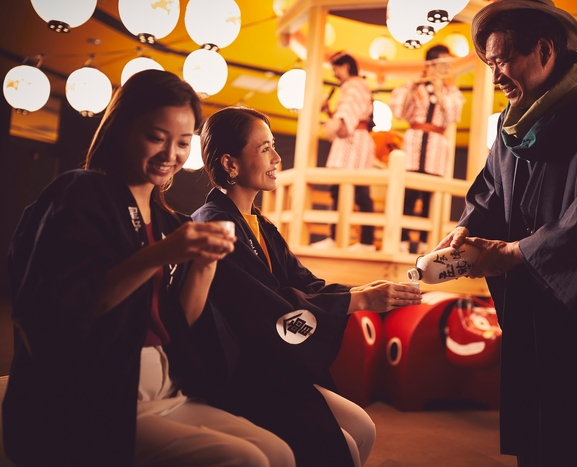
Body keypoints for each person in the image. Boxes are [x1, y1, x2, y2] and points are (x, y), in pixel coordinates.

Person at [2, 70, 295, 467]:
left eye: (183, 143)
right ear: (123, 130)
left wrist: (205, 265)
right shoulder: (79, 193)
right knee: (246, 459)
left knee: (278, 453)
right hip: (97, 394)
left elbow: (179, 321)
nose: (170, 154)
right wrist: (160, 254)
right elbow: (64, 304)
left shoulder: (167, 219)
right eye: (157, 138)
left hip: (165, 389)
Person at [434, 1, 577, 466]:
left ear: (544, 50)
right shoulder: (512, 126)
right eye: (489, 64)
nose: (495, 76)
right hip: (534, 303)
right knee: (540, 430)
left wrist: (518, 252)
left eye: (502, 61)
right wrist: (465, 229)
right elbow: (490, 193)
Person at [191, 106, 423, 466]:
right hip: (244, 373)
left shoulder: (259, 224)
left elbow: (305, 284)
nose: (277, 157)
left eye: (273, 146)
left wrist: (361, 292)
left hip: (273, 364)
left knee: (363, 428)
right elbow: (268, 306)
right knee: (342, 445)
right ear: (230, 164)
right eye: (265, 148)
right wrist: (359, 301)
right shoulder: (214, 225)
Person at [390, 44, 465, 254]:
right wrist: (412, 89)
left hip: (436, 147)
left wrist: (439, 92)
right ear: (431, 64)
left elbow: (454, 117)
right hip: (413, 143)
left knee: (429, 197)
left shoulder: (452, 92)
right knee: (407, 195)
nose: (447, 67)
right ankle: (402, 240)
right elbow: (399, 112)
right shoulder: (413, 86)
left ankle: (426, 242)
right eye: (443, 62)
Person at [311, 51, 377, 251]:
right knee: (342, 191)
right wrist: (330, 113)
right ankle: (339, 237)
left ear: (346, 67)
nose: (334, 74)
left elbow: (347, 112)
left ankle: (364, 241)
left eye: (336, 69)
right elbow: (347, 117)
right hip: (352, 140)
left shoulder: (354, 85)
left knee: (359, 193)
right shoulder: (358, 85)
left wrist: (336, 120)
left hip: (355, 142)